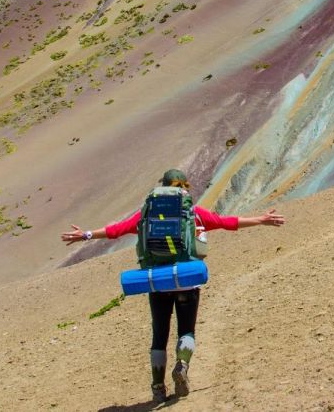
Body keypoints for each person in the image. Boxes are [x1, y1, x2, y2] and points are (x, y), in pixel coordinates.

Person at [61, 169, 285, 403]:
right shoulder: (192, 213)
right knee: (186, 330)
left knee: (159, 335)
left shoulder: (147, 213)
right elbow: (225, 222)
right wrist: (261, 219)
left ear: (162, 188)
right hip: (186, 279)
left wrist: (85, 234)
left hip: (157, 282)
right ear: (184, 187)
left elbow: (115, 230)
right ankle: (182, 364)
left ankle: (158, 387)